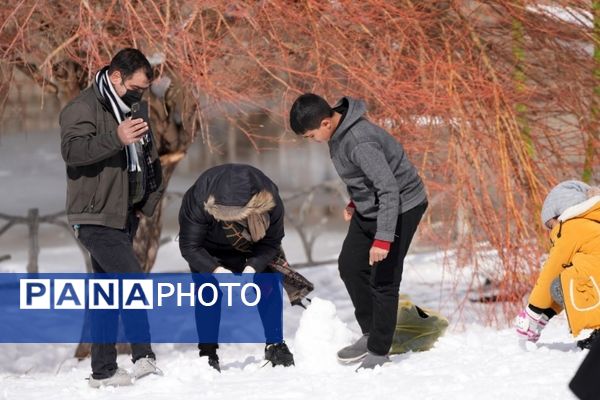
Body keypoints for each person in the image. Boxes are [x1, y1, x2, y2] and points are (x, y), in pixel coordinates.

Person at [289, 93, 428, 369]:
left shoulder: (359, 140)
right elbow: (365, 176)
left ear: (327, 122)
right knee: (351, 265)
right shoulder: (338, 134)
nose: (311, 141)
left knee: (384, 278)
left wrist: (383, 239)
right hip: (373, 205)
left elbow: (389, 189)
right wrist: (355, 202)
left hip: (401, 206)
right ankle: (371, 332)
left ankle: (379, 351)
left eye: (310, 135)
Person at [59, 48, 164, 387]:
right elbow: (73, 152)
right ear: (116, 77)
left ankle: (102, 371)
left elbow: (148, 157)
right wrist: (116, 138)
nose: (140, 94)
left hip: (123, 214)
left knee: (106, 292)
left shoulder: (133, 107)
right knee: (131, 280)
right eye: (135, 87)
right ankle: (143, 357)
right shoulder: (83, 107)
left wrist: (145, 202)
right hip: (93, 216)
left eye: (144, 89)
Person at [178, 163, 313, 371]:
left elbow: (272, 242)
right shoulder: (198, 197)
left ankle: (275, 344)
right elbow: (189, 246)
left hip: (253, 247)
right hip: (208, 250)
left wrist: (252, 268)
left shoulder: (270, 198)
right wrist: (216, 271)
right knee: (207, 293)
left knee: (268, 284)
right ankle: (207, 354)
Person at [515, 180, 600, 348]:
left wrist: (532, 311)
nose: (552, 233)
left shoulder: (573, 227)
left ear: (560, 214)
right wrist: (545, 315)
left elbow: (552, 269)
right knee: (567, 277)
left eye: (551, 226)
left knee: (568, 277)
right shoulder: (591, 223)